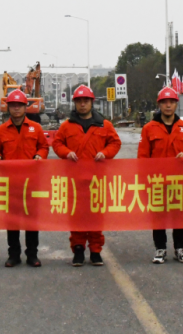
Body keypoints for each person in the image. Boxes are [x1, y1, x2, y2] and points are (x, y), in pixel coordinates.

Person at [52, 85, 121, 267]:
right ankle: (78, 249)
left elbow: (115, 143)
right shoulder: (67, 126)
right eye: (79, 101)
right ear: (75, 103)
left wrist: (105, 153)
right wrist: (66, 152)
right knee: (76, 214)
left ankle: (96, 250)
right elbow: (57, 144)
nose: (82, 104)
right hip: (74, 180)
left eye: (86, 101)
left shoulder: (104, 125)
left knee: (96, 215)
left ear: (91, 102)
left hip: (97, 179)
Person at [138, 86, 183, 264]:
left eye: (171, 102)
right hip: (157, 181)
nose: (168, 105)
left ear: (176, 104)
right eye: (164, 102)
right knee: (158, 215)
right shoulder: (149, 128)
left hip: (179, 180)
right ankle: (160, 248)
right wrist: (144, 180)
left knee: (179, 214)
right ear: (159, 105)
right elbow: (143, 156)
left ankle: (180, 248)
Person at [0, 89, 49, 267]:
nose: (16, 108)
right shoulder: (1, 130)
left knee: (31, 220)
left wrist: (40, 155)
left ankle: (32, 254)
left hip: (31, 182)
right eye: (13, 105)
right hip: (10, 183)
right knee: (12, 220)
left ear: (25, 107)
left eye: (20, 105)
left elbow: (44, 147)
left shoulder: (36, 128)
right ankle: (13, 254)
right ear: (8, 107)